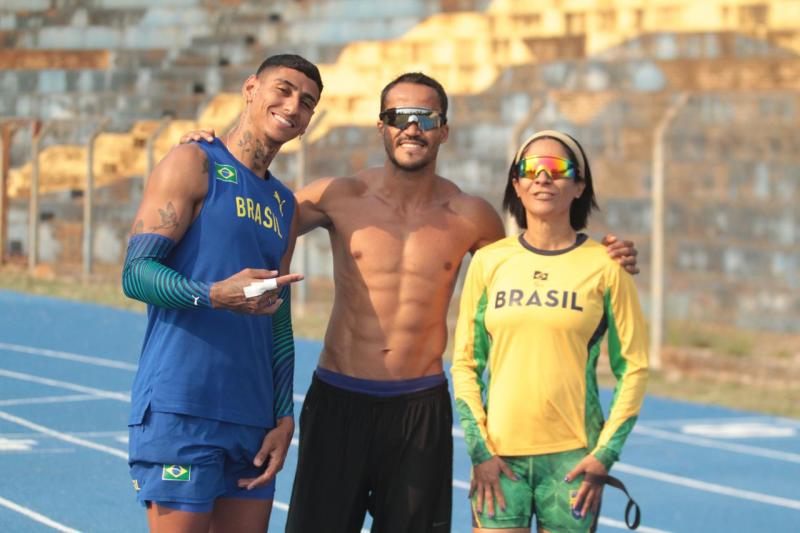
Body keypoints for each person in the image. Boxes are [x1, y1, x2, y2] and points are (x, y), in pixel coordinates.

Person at [181, 72, 639, 533]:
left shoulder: (472, 216)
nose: (412, 127)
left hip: (419, 408)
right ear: (381, 126)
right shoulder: (336, 196)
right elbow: (250, 208)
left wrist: (602, 253)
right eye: (399, 116)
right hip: (339, 398)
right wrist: (214, 152)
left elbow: (535, 258)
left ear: (444, 130)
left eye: (426, 117)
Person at [121, 54, 322, 532]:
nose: (294, 106)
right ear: (251, 88)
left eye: (308, 102)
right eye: (284, 89)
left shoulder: (283, 202)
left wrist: (282, 415)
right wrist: (212, 294)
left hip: (253, 417)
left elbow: (277, 315)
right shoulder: (194, 162)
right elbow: (135, 274)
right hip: (183, 404)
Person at [451, 130, 649, 532]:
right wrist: (480, 451)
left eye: (558, 169)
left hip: (573, 461)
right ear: (516, 184)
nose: (543, 177)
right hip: (499, 461)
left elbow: (634, 368)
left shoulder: (608, 266)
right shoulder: (489, 263)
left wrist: (604, 455)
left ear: (579, 186)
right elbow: (466, 364)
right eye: (530, 169)